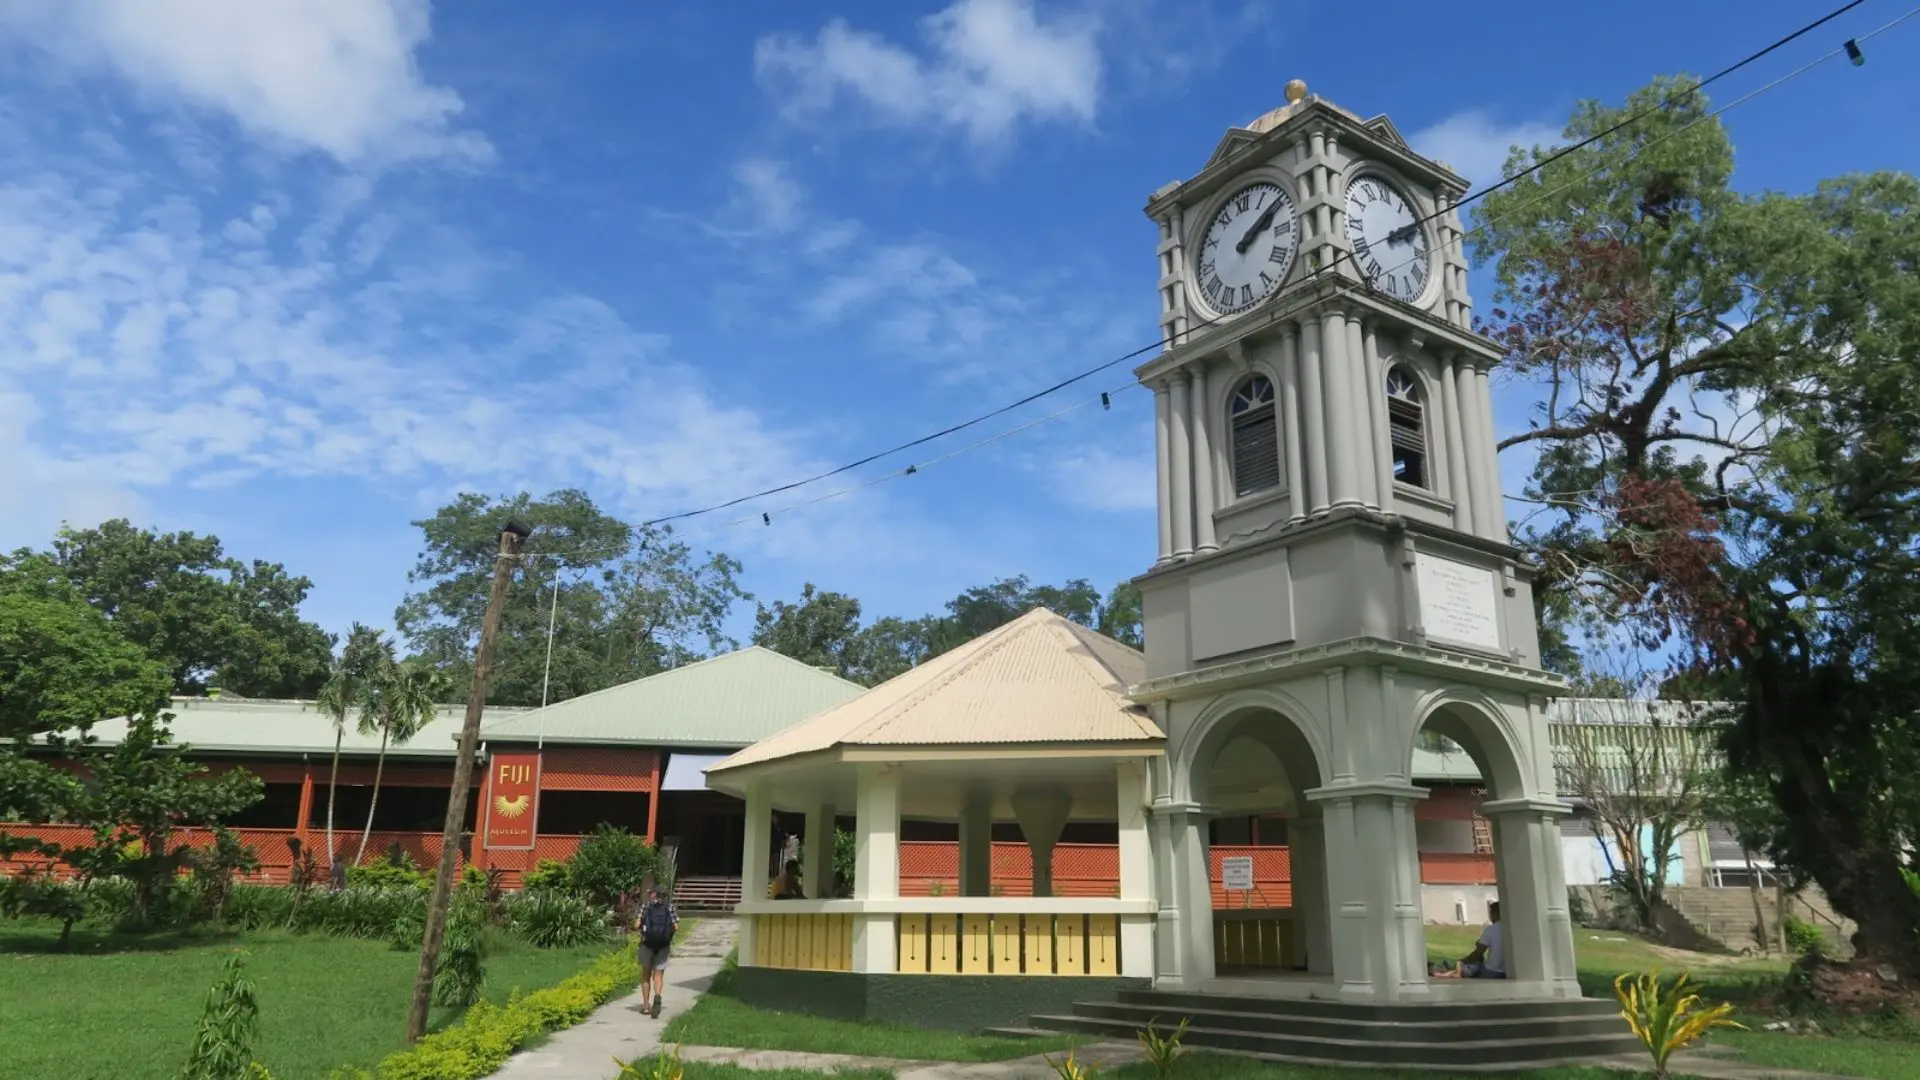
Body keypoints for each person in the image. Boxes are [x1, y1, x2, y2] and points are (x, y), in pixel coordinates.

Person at [635, 885, 679, 1018]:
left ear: (653, 894)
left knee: (645, 976)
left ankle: (646, 1007)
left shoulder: (646, 906)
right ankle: (658, 996)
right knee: (658, 976)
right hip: (663, 946)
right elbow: (676, 926)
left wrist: (642, 928)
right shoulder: (669, 907)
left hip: (646, 944)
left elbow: (636, 925)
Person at [1460, 901, 1506, 979]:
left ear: (1495, 913)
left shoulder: (1491, 929)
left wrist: (1463, 961)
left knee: (1472, 968)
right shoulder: (1511, 927)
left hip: (1492, 970)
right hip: (1507, 971)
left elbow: (1478, 954)